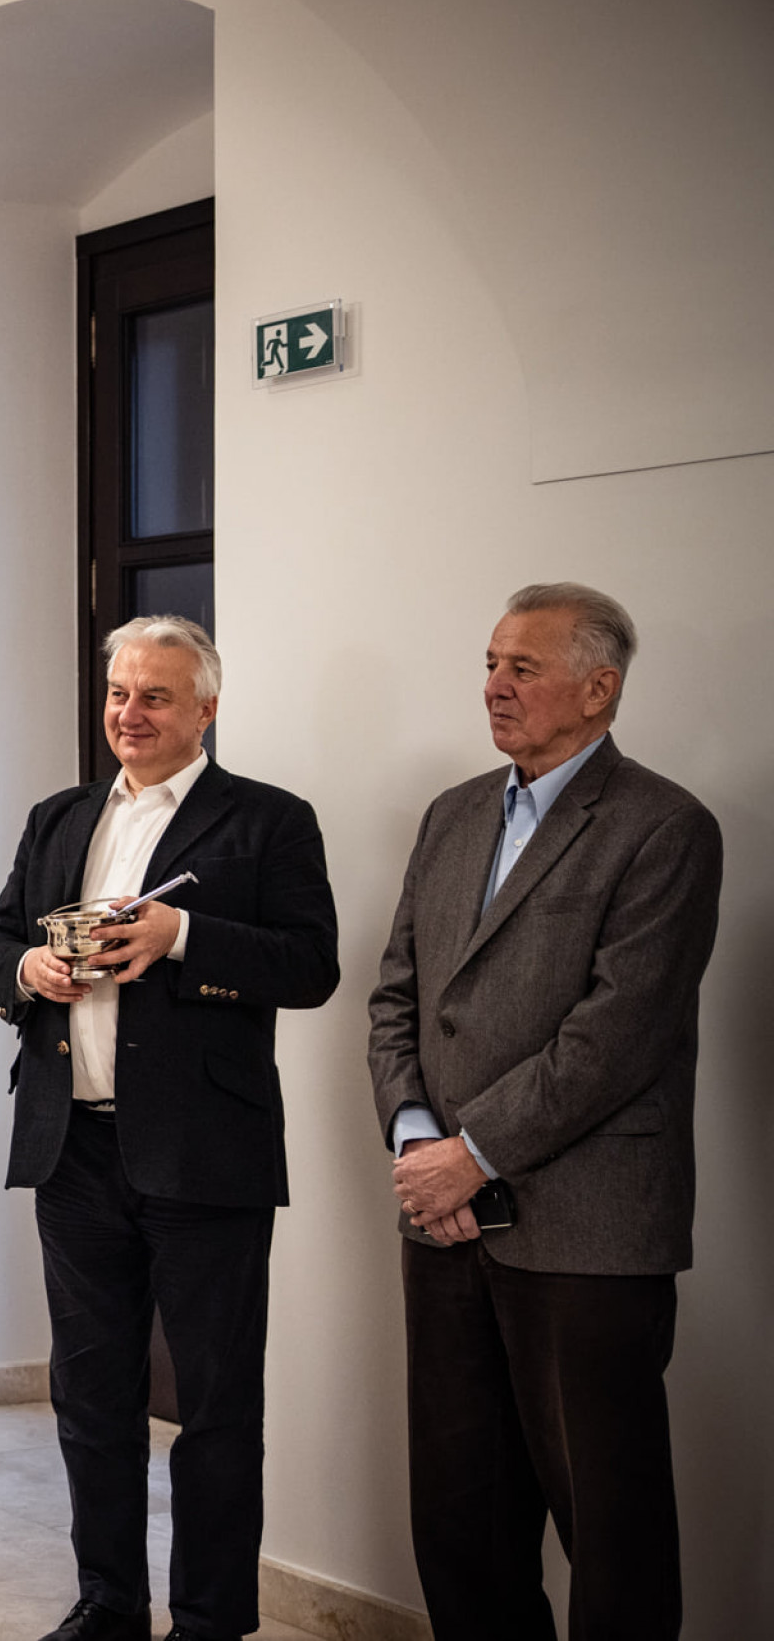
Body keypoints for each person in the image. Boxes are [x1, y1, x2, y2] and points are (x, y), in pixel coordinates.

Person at [0, 616, 338, 1641]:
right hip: (70, 1146)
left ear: (205, 709)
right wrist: (25, 973)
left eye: (156, 696)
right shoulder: (58, 818)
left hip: (206, 1153)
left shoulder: (266, 821)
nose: (130, 712)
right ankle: (109, 1604)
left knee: (215, 1406)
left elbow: (311, 965)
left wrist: (184, 936)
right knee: (91, 1399)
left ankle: (215, 1620)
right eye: (119, 692)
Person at [367, 583, 720, 1639]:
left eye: (521, 666)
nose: (492, 686)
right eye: (489, 662)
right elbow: (397, 995)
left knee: (608, 1527)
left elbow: (615, 1036)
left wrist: (473, 1153)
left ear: (598, 686)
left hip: (588, 1228)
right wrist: (420, 1139)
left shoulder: (664, 828)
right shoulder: (452, 813)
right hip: (441, 1217)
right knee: (459, 1516)